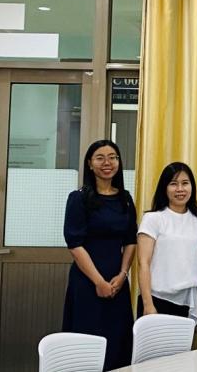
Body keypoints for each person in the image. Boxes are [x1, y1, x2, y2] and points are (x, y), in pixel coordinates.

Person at [62, 140, 137, 371]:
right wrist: (98, 282)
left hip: (117, 281)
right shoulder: (79, 198)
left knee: (118, 341)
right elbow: (75, 244)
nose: (107, 163)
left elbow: (131, 240)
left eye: (112, 157)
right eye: (100, 158)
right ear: (90, 164)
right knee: (87, 340)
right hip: (87, 281)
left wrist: (123, 274)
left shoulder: (125, 198)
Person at [137, 162, 197, 322]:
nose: (180, 189)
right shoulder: (152, 219)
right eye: (173, 184)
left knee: (186, 341)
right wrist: (148, 304)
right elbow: (143, 263)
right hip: (157, 299)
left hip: (189, 301)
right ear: (164, 188)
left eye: (185, 183)